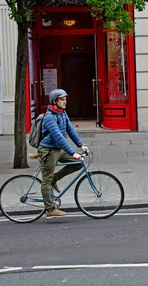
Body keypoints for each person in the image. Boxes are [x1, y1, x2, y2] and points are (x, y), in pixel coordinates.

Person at [38, 89, 89, 218]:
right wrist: (72, 152)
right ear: (54, 101)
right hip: (48, 151)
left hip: (58, 150)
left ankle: (55, 179)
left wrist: (80, 145)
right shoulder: (49, 117)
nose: (65, 102)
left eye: (65, 99)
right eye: (62, 100)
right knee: (46, 180)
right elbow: (59, 137)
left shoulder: (62, 113)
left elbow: (70, 130)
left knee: (78, 163)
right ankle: (50, 210)